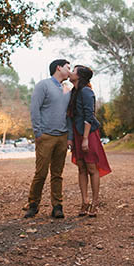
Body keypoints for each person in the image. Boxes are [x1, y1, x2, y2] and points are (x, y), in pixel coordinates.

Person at [25, 59, 73, 219]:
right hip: (45, 136)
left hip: (62, 137)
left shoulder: (67, 89)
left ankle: (57, 206)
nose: (70, 70)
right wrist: (37, 132)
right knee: (41, 173)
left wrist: (69, 137)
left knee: (57, 174)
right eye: (68, 67)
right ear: (59, 68)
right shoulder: (43, 85)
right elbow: (34, 108)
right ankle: (33, 205)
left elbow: (69, 115)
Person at [67, 65, 111, 217]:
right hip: (78, 135)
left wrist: (85, 139)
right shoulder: (74, 92)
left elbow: (89, 116)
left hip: (88, 134)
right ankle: (84, 201)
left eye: (73, 71)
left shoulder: (86, 91)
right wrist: (71, 138)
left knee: (92, 168)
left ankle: (95, 203)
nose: (70, 73)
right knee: (81, 168)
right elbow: (72, 118)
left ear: (79, 76)